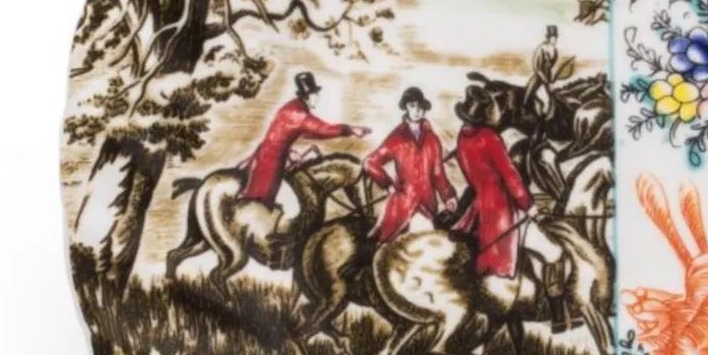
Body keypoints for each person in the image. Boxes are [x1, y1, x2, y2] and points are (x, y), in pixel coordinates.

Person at [453, 85, 573, 328]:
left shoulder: (462, 138)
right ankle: (559, 317)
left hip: (480, 207)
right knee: (555, 253)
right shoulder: (490, 137)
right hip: (504, 211)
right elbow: (510, 176)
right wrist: (529, 206)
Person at [238, 71, 370, 205]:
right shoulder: (298, 113)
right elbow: (323, 129)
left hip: (269, 154)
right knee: (264, 201)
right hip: (272, 160)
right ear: (308, 95)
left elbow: (305, 132)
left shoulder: (293, 106)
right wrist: (351, 130)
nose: (317, 97)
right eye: (315, 94)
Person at [364, 86, 456, 242]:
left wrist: (449, 197)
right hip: (404, 206)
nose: (417, 110)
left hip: (428, 206)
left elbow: (438, 174)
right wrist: (388, 184)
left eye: (420, 106)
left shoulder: (432, 140)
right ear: (406, 107)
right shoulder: (397, 138)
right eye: (412, 106)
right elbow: (370, 162)